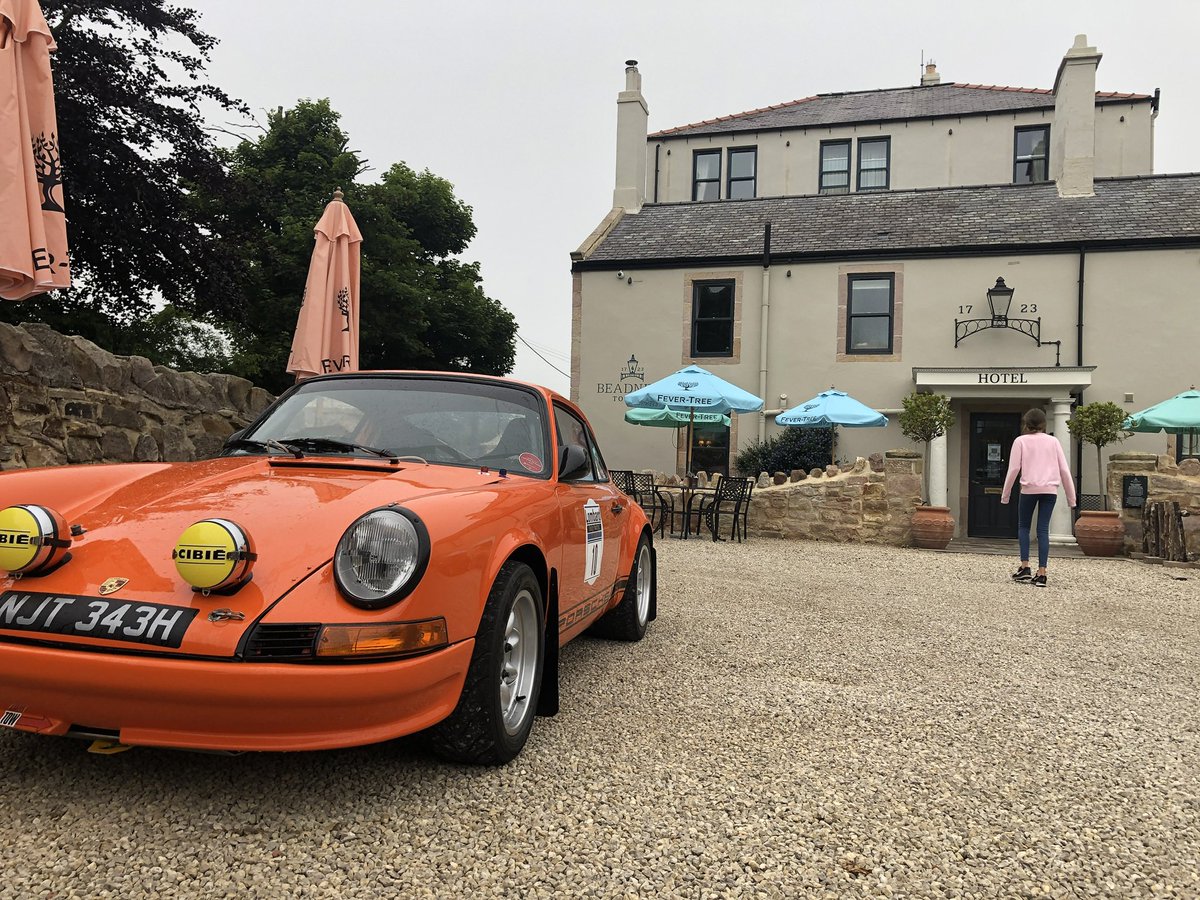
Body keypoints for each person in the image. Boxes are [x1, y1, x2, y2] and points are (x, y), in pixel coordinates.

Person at [1000, 408, 1077, 587]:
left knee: (1024, 527)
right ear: (1044, 424)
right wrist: (1071, 499)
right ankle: (1042, 573)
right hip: (1050, 490)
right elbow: (1064, 470)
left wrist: (1006, 495)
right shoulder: (1054, 441)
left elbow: (1013, 470)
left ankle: (1025, 566)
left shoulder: (1020, 441)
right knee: (1043, 530)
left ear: (1026, 424)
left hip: (1029, 489)